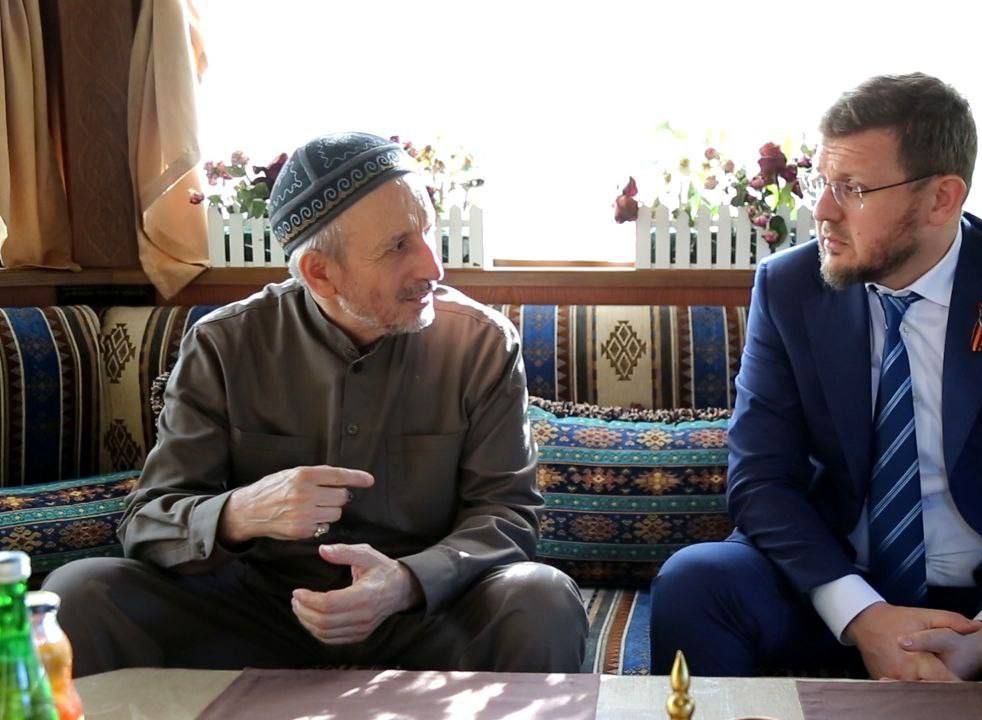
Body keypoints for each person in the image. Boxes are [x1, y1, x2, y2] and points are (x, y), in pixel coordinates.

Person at [649, 74, 982, 685]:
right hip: (837, 585)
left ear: (941, 199)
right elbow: (761, 481)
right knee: (694, 584)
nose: (822, 212)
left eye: (852, 189)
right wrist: (864, 617)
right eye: (822, 182)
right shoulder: (789, 287)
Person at [44, 132, 587, 676]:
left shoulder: (481, 343)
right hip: (256, 618)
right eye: (399, 246)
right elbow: (147, 523)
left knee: (540, 599)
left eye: (429, 232)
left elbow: (508, 514)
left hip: (422, 618)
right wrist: (241, 511)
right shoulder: (224, 344)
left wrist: (405, 583)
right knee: (82, 594)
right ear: (320, 273)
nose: (433, 267)